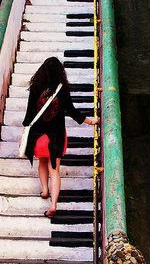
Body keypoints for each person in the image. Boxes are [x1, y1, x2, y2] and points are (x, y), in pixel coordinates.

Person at [22, 56, 99, 218]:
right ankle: (54, 204)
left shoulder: (36, 87)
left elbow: (29, 114)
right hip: (56, 136)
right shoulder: (62, 89)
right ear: (60, 72)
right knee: (54, 170)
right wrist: (90, 121)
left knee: (42, 162)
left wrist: (26, 132)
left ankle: (44, 190)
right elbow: (71, 110)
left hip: (39, 136)